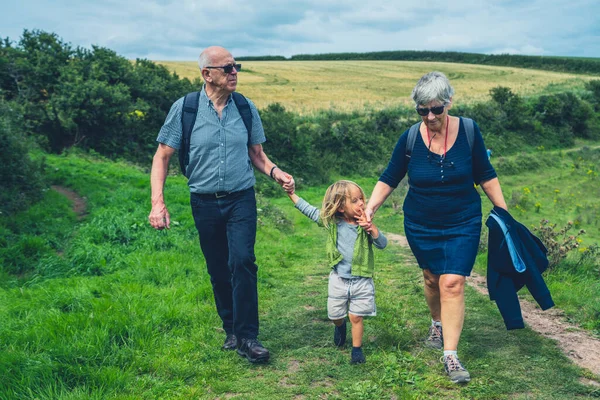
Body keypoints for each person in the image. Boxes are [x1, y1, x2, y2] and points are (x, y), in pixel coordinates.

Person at [148, 46, 295, 364]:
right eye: (226, 68)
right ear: (207, 74)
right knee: (218, 268)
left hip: (241, 198)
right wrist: (157, 204)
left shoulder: (244, 107)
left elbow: (257, 154)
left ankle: (248, 337)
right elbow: (162, 156)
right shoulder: (185, 109)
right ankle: (230, 328)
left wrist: (275, 172)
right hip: (203, 202)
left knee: (242, 261)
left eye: (236, 66)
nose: (234, 72)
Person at [365, 71, 507, 383]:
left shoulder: (469, 131)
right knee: (431, 279)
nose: (430, 116)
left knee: (452, 282)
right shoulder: (410, 138)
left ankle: (451, 355)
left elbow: (485, 173)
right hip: (420, 222)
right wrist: (370, 207)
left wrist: (504, 211)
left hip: (463, 221)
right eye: (422, 110)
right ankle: (436, 322)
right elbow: (391, 175)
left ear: (449, 103)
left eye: (436, 109)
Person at [287, 180, 387, 364]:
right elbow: (309, 210)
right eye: (355, 201)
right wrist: (292, 194)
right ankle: (339, 327)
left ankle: (357, 350)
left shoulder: (365, 224)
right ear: (340, 207)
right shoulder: (332, 223)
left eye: (361, 199)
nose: (361, 204)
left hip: (361, 279)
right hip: (339, 279)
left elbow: (383, 244)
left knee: (356, 316)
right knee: (336, 315)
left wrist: (371, 229)